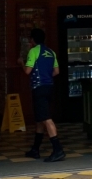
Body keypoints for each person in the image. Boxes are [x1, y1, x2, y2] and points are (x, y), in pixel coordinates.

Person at [23, 28, 65, 163]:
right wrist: (47, 77)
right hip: (49, 87)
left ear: (33, 40)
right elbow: (57, 71)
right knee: (40, 119)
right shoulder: (51, 52)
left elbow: (28, 71)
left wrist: (21, 63)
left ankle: (58, 150)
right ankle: (35, 149)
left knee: (46, 119)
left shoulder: (34, 51)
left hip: (39, 88)